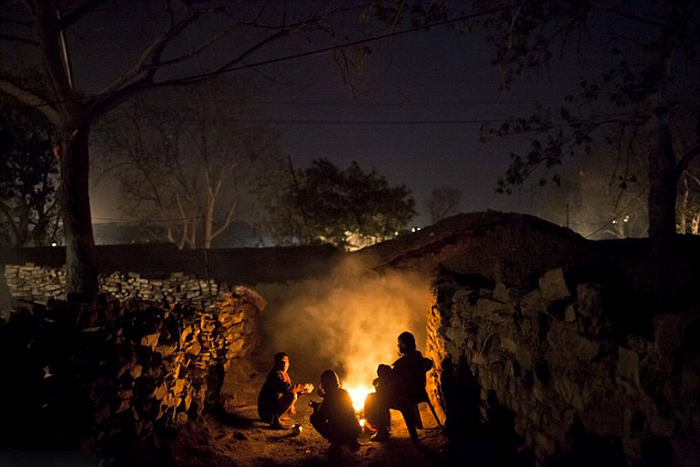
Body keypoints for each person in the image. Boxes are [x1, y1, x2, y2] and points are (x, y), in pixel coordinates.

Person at [365, 331, 433, 443]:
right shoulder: (417, 356)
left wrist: (381, 379)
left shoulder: (404, 362)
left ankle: (382, 430)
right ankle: (387, 429)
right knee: (380, 394)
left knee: (375, 398)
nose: (398, 346)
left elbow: (394, 380)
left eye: (399, 343)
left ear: (404, 344)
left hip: (405, 397)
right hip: (417, 392)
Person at [257, 352, 313, 429]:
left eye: (287, 362)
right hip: (266, 413)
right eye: (282, 362)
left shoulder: (283, 374)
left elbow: (289, 390)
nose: (285, 364)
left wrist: (303, 391)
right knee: (292, 396)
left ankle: (276, 417)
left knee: (293, 395)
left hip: (269, 411)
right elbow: (287, 389)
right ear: (276, 363)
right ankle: (275, 422)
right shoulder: (275, 375)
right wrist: (302, 387)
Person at [309, 370, 361, 450]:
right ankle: (351, 440)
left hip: (340, 432)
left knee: (314, 418)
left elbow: (323, 416)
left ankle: (337, 441)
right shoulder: (344, 392)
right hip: (355, 430)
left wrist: (315, 408)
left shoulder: (329, 397)